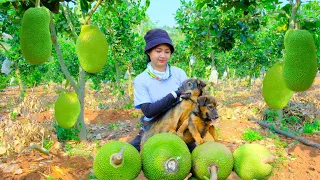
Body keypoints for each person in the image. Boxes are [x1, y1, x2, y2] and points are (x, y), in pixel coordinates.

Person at [130, 28, 196, 152]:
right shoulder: (141, 80)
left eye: (167, 51)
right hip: (152, 126)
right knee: (130, 153)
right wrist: (175, 94)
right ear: (149, 52)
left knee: (195, 157)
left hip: (177, 125)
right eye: (158, 51)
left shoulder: (178, 74)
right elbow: (149, 111)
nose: (163, 55)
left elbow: (192, 95)